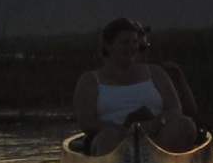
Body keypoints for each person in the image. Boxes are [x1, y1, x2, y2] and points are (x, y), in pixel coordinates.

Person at [74, 18, 198, 155]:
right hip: (114, 137)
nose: (131, 47)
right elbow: (87, 122)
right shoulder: (90, 80)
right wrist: (122, 130)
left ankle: (158, 161)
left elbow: (174, 108)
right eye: (125, 43)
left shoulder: (156, 73)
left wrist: (156, 123)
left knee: (185, 125)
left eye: (134, 42)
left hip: (157, 134)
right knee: (107, 140)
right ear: (108, 45)